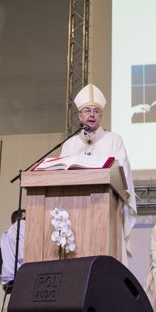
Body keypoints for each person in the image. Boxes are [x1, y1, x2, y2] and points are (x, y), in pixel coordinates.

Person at [59, 84, 136, 254]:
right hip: (76, 208)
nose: (92, 114)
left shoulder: (113, 140)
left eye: (96, 111)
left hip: (107, 206)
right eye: (87, 110)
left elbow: (122, 173)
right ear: (80, 116)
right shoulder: (70, 144)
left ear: (101, 115)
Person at [0, 209, 25, 287]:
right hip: (20, 276)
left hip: (7, 278)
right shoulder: (20, 225)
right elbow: (23, 255)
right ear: (20, 219)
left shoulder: (5, 234)